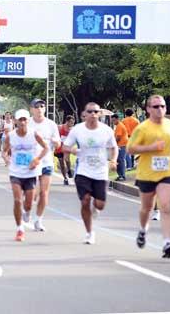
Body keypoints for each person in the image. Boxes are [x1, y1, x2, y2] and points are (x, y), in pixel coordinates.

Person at [127, 95, 170, 259]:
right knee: (147, 208)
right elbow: (130, 149)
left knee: (165, 206)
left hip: (167, 173)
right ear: (148, 109)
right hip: (146, 173)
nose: (160, 110)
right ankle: (143, 230)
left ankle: (167, 243)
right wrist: (151, 147)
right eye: (156, 106)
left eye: (163, 106)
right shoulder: (142, 128)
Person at [63, 102, 118, 244]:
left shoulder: (106, 130)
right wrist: (73, 150)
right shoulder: (77, 130)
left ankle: (96, 209)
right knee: (85, 200)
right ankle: (89, 232)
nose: (93, 114)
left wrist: (113, 160)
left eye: (96, 111)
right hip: (83, 170)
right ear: (85, 114)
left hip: (100, 172)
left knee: (100, 204)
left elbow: (114, 147)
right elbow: (65, 146)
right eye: (90, 111)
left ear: (99, 114)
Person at [3, 109, 48, 242]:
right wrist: (6, 159)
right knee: (17, 200)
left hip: (31, 172)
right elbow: (4, 151)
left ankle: (26, 212)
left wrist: (37, 159)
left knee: (28, 204)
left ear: (28, 121)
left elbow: (46, 148)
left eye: (24, 119)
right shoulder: (11, 136)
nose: (22, 122)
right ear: (15, 121)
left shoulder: (34, 134)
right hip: (16, 172)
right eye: (20, 120)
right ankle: (19, 229)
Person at [26, 99, 61, 231]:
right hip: (31, 162)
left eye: (42, 106)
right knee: (32, 193)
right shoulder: (27, 123)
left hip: (46, 162)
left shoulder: (51, 124)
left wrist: (56, 142)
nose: (39, 109)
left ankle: (38, 220)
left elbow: (58, 143)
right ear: (31, 109)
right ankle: (27, 210)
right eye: (36, 107)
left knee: (44, 193)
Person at [54, 115, 75, 185]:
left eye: (73, 123)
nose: (72, 124)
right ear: (67, 122)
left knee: (67, 160)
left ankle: (69, 170)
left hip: (67, 147)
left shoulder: (73, 130)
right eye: (71, 122)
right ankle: (65, 178)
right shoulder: (60, 127)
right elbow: (54, 135)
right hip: (59, 147)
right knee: (62, 163)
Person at [111, 114, 129, 181]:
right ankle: (120, 175)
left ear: (117, 119)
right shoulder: (118, 126)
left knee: (121, 161)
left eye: (114, 120)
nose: (113, 122)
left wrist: (114, 144)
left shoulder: (120, 126)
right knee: (118, 160)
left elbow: (118, 137)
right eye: (112, 121)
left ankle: (122, 175)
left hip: (122, 145)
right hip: (120, 145)